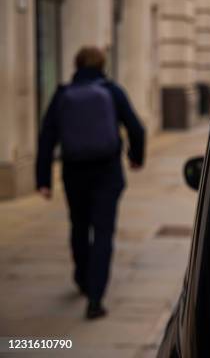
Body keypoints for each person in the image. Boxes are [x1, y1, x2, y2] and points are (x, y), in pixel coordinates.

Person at [36, 46, 145, 319]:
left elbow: (47, 137)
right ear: (102, 65)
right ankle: (95, 299)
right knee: (104, 233)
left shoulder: (62, 94)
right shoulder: (112, 91)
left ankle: (83, 279)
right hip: (107, 172)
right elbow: (136, 127)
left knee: (79, 225)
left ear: (76, 65)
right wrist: (135, 157)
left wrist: (43, 179)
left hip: (74, 173)